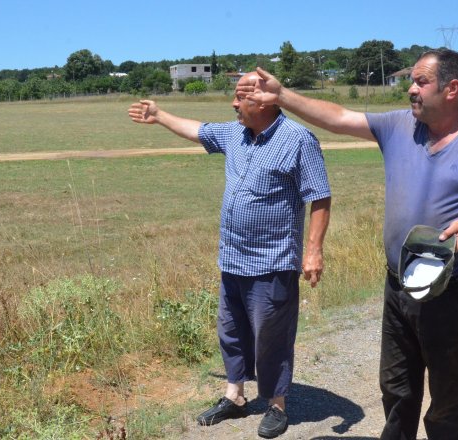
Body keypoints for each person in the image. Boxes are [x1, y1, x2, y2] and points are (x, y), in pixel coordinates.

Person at [236, 49, 458, 439]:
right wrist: (282, 96)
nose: (411, 89)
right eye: (412, 80)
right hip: (398, 287)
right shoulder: (399, 126)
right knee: (396, 389)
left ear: (452, 88)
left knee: (446, 397)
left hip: (452, 294)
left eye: (421, 81)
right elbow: (338, 118)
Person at [127, 72, 332, 438]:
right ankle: (235, 397)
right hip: (233, 258)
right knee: (231, 332)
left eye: (241, 97)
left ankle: (276, 404)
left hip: (273, 261)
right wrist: (160, 116)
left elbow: (320, 196)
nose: (234, 104)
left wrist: (313, 251)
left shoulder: (298, 140)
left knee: (271, 335)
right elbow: (199, 130)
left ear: (267, 101)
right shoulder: (234, 134)